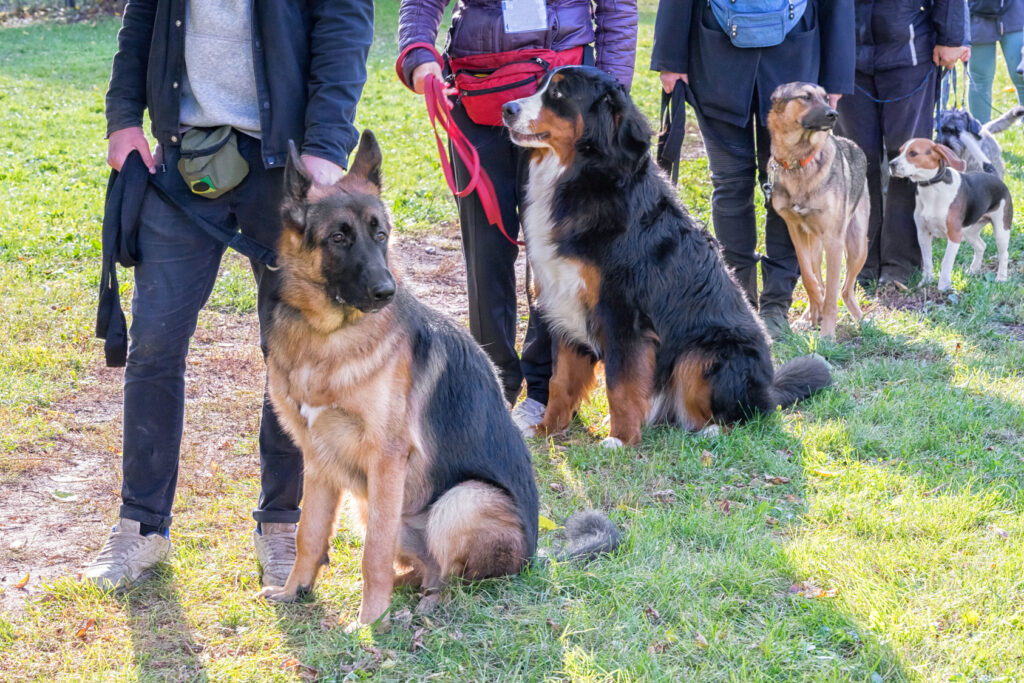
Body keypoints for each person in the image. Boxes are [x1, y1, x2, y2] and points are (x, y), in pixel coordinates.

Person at [84, 0, 374, 590]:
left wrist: (325, 143)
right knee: (155, 344)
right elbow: (142, 15)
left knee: (294, 352)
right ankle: (141, 529)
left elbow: (344, 23)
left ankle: (282, 525)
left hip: (287, 167)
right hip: (184, 158)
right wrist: (123, 118)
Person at [396, 0, 638, 431]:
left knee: (560, 251)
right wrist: (417, 53)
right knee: (485, 248)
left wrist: (609, 96)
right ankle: (493, 385)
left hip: (563, 97)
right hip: (476, 91)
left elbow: (618, 7)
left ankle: (545, 391)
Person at [652, 0, 855, 337]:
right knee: (731, 184)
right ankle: (741, 302)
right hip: (716, 56)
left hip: (796, 56)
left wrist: (836, 74)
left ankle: (777, 304)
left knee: (790, 187)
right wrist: (670, 57)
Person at [835, 1, 968, 287]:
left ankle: (900, 264)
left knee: (906, 162)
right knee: (856, 162)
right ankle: (861, 260)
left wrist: (951, 38)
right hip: (845, 55)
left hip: (909, 53)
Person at [967, 0, 1024, 122]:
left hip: (1015, 11)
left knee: (1021, 75)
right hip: (978, 12)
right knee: (979, 79)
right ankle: (980, 134)